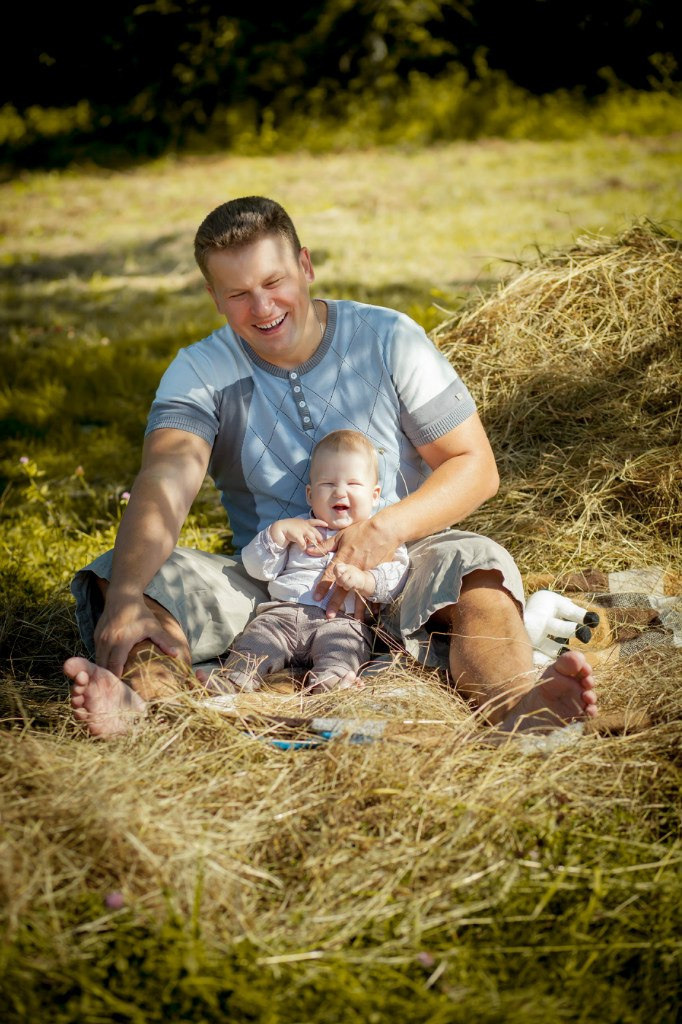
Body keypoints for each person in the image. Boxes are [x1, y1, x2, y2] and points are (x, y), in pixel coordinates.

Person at [65, 194, 597, 739]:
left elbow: (476, 465)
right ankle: (156, 711)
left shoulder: (389, 339)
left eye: (274, 282)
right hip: (270, 583)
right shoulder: (199, 370)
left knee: (479, 566)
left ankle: (518, 709)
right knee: (127, 573)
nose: (263, 307)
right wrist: (128, 597)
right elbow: (164, 480)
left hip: (402, 565)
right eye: (239, 294)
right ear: (213, 298)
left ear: (306, 265)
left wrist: (385, 528)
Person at [207, 429, 409, 695]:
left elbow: (397, 575)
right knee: (257, 642)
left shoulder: (378, 540)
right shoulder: (298, 529)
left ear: (374, 495)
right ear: (310, 494)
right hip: (282, 616)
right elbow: (256, 567)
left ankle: (331, 685)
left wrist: (365, 580)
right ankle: (234, 680)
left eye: (353, 484)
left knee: (345, 650)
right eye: (328, 484)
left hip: (341, 621)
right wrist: (277, 534)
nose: (339, 492)